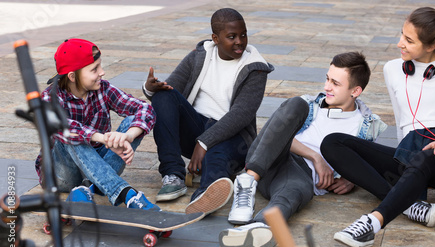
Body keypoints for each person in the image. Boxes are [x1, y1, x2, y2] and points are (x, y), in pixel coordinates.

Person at [321, 7, 435, 247]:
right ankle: (410, 205)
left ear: (431, 45)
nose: (399, 44)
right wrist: (402, 164)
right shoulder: (393, 69)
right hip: (413, 151)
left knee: (427, 154)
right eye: (401, 35)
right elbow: (402, 120)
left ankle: (371, 224)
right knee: (332, 142)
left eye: (408, 40)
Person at [218, 52, 388, 247]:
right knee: (295, 103)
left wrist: (352, 180)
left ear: (356, 90)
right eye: (327, 78)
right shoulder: (308, 105)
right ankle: (247, 183)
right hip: (266, 160)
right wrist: (315, 157)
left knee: (295, 193)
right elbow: (273, 138)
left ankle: (257, 228)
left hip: (301, 177)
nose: (326, 87)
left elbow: (366, 162)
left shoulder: (366, 126)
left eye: (335, 83)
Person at [143, 8, 274, 215]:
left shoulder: (256, 68)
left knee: (216, 154)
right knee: (164, 95)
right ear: (216, 38)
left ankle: (206, 194)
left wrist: (204, 142)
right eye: (231, 37)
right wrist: (152, 88)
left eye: (243, 34)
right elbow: (171, 90)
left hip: (235, 138)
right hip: (197, 131)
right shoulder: (199, 56)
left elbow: (241, 115)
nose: (239, 41)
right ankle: (173, 175)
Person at [36, 38, 160, 211]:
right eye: (94, 69)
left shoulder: (103, 88)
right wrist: (104, 139)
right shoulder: (50, 97)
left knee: (134, 122)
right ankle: (126, 194)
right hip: (62, 175)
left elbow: (144, 108)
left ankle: (86, 189)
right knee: (71, 134)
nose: (102, 72)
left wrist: (127, 136)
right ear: (72, 76)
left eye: (100, 66)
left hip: (97, 165)